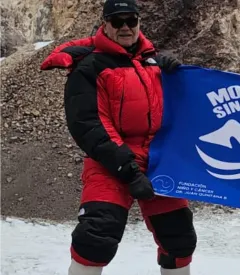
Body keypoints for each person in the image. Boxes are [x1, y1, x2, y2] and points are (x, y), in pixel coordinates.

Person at [40, 1, 196, 274]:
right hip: (110, 162)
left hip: (158, 160)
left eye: (131, 20)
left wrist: (174, 76)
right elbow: (89, 124)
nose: (125, 27)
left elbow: (179, 111)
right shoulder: (89, 66)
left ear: (139, 23)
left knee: (179, 238)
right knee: (96, 236)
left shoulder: (152, 62)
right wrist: (128, 170)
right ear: (105, 24)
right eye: (117, 21)